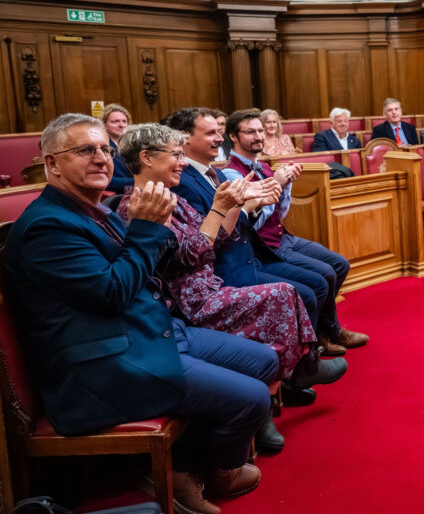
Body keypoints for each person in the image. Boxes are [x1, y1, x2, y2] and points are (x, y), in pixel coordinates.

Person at [4, 113, 278, 514]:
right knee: (251, 400)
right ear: (51, 164)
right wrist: (148, 229)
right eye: (84, 150)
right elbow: (111, 293)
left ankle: (186, 458)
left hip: (149, 332)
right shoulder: (48, 227)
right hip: (105, 365)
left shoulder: (90, 209)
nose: (100, 159)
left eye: (104, 149)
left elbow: (148, 271)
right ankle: (202, 471)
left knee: (264, 360)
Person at [115, 122, 348, 453]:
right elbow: (191, 254)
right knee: (281, 295)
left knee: (286, 292)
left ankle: (291, 379)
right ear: (146, 158)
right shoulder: (138, 205)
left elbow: (215, 239)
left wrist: (235, 203)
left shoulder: (169, 198)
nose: (181, 161)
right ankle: (279, 392)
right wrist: (219, 207)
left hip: (208, 285)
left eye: (182, 155)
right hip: (190, 301)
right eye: (175, 155)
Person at [223, 109, 369, 356]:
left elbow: (281, 210)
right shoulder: (233, 173)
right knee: (322, 278)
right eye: (250, 132)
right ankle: (324, 336)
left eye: (260, 130)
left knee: (340, 264)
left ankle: (326, 329)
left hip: (283, 236)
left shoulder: (263, 167)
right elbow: (249, 224)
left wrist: (286, 185)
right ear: (233, 137)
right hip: (264, 246)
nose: (258, 136)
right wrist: (277, 183)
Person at [100, 103, 134, 192]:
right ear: (103, 124)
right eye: (115, 121)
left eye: (124, 121)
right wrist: (138, 182)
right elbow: (103, 179)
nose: (121, 125)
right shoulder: (101, 147)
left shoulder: (133, 144)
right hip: (118, 197)